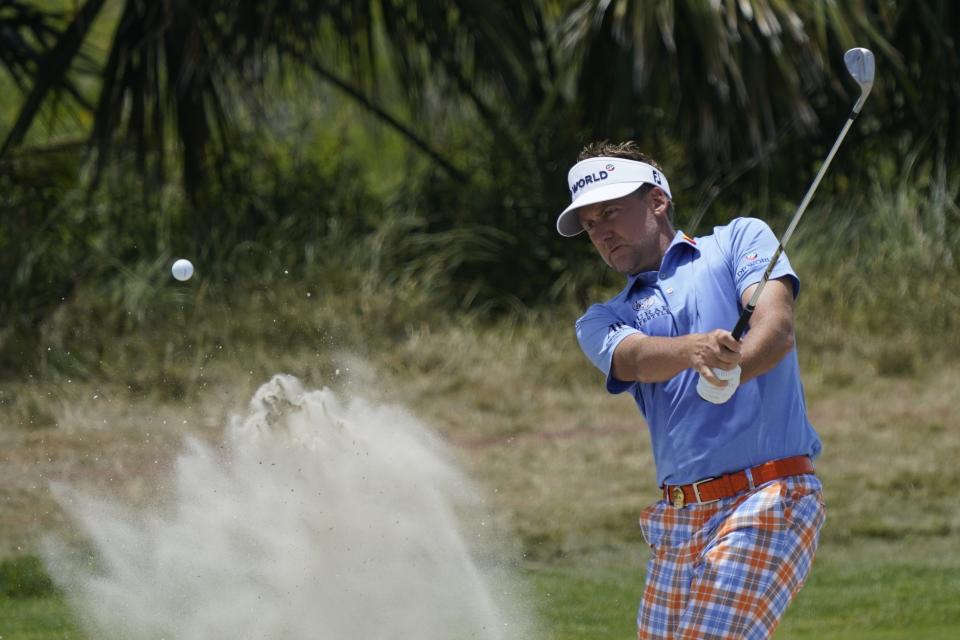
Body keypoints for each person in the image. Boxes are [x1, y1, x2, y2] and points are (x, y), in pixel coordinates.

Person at [557, 141, 825, 639]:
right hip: (678, 520)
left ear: (657, 200)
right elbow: (633, 358)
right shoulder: (601, 318)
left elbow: (775, 324)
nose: (601, 232)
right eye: (590, 225)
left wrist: (737, 367)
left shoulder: (736, 240)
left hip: (769, 495)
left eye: (611, 212)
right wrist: (695, 351)